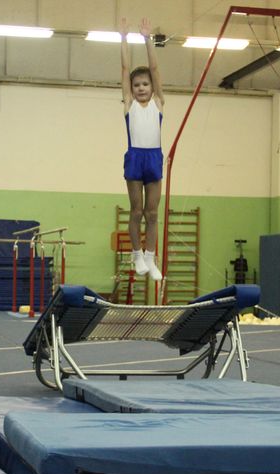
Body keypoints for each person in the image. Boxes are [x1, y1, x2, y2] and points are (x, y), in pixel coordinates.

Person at [120, 17, 165, 281]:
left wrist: (147, 39)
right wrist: (124, 39)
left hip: (154, 157)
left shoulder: (158, 101)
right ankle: (137, 254)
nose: (141, 88)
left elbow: (155, 68)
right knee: (136, 210)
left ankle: (150, 257)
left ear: (152, 87)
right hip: (136, 156)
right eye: (136, 85)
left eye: (145, 84)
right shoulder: (129, 103)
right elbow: (125, 68)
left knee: (153, 212)